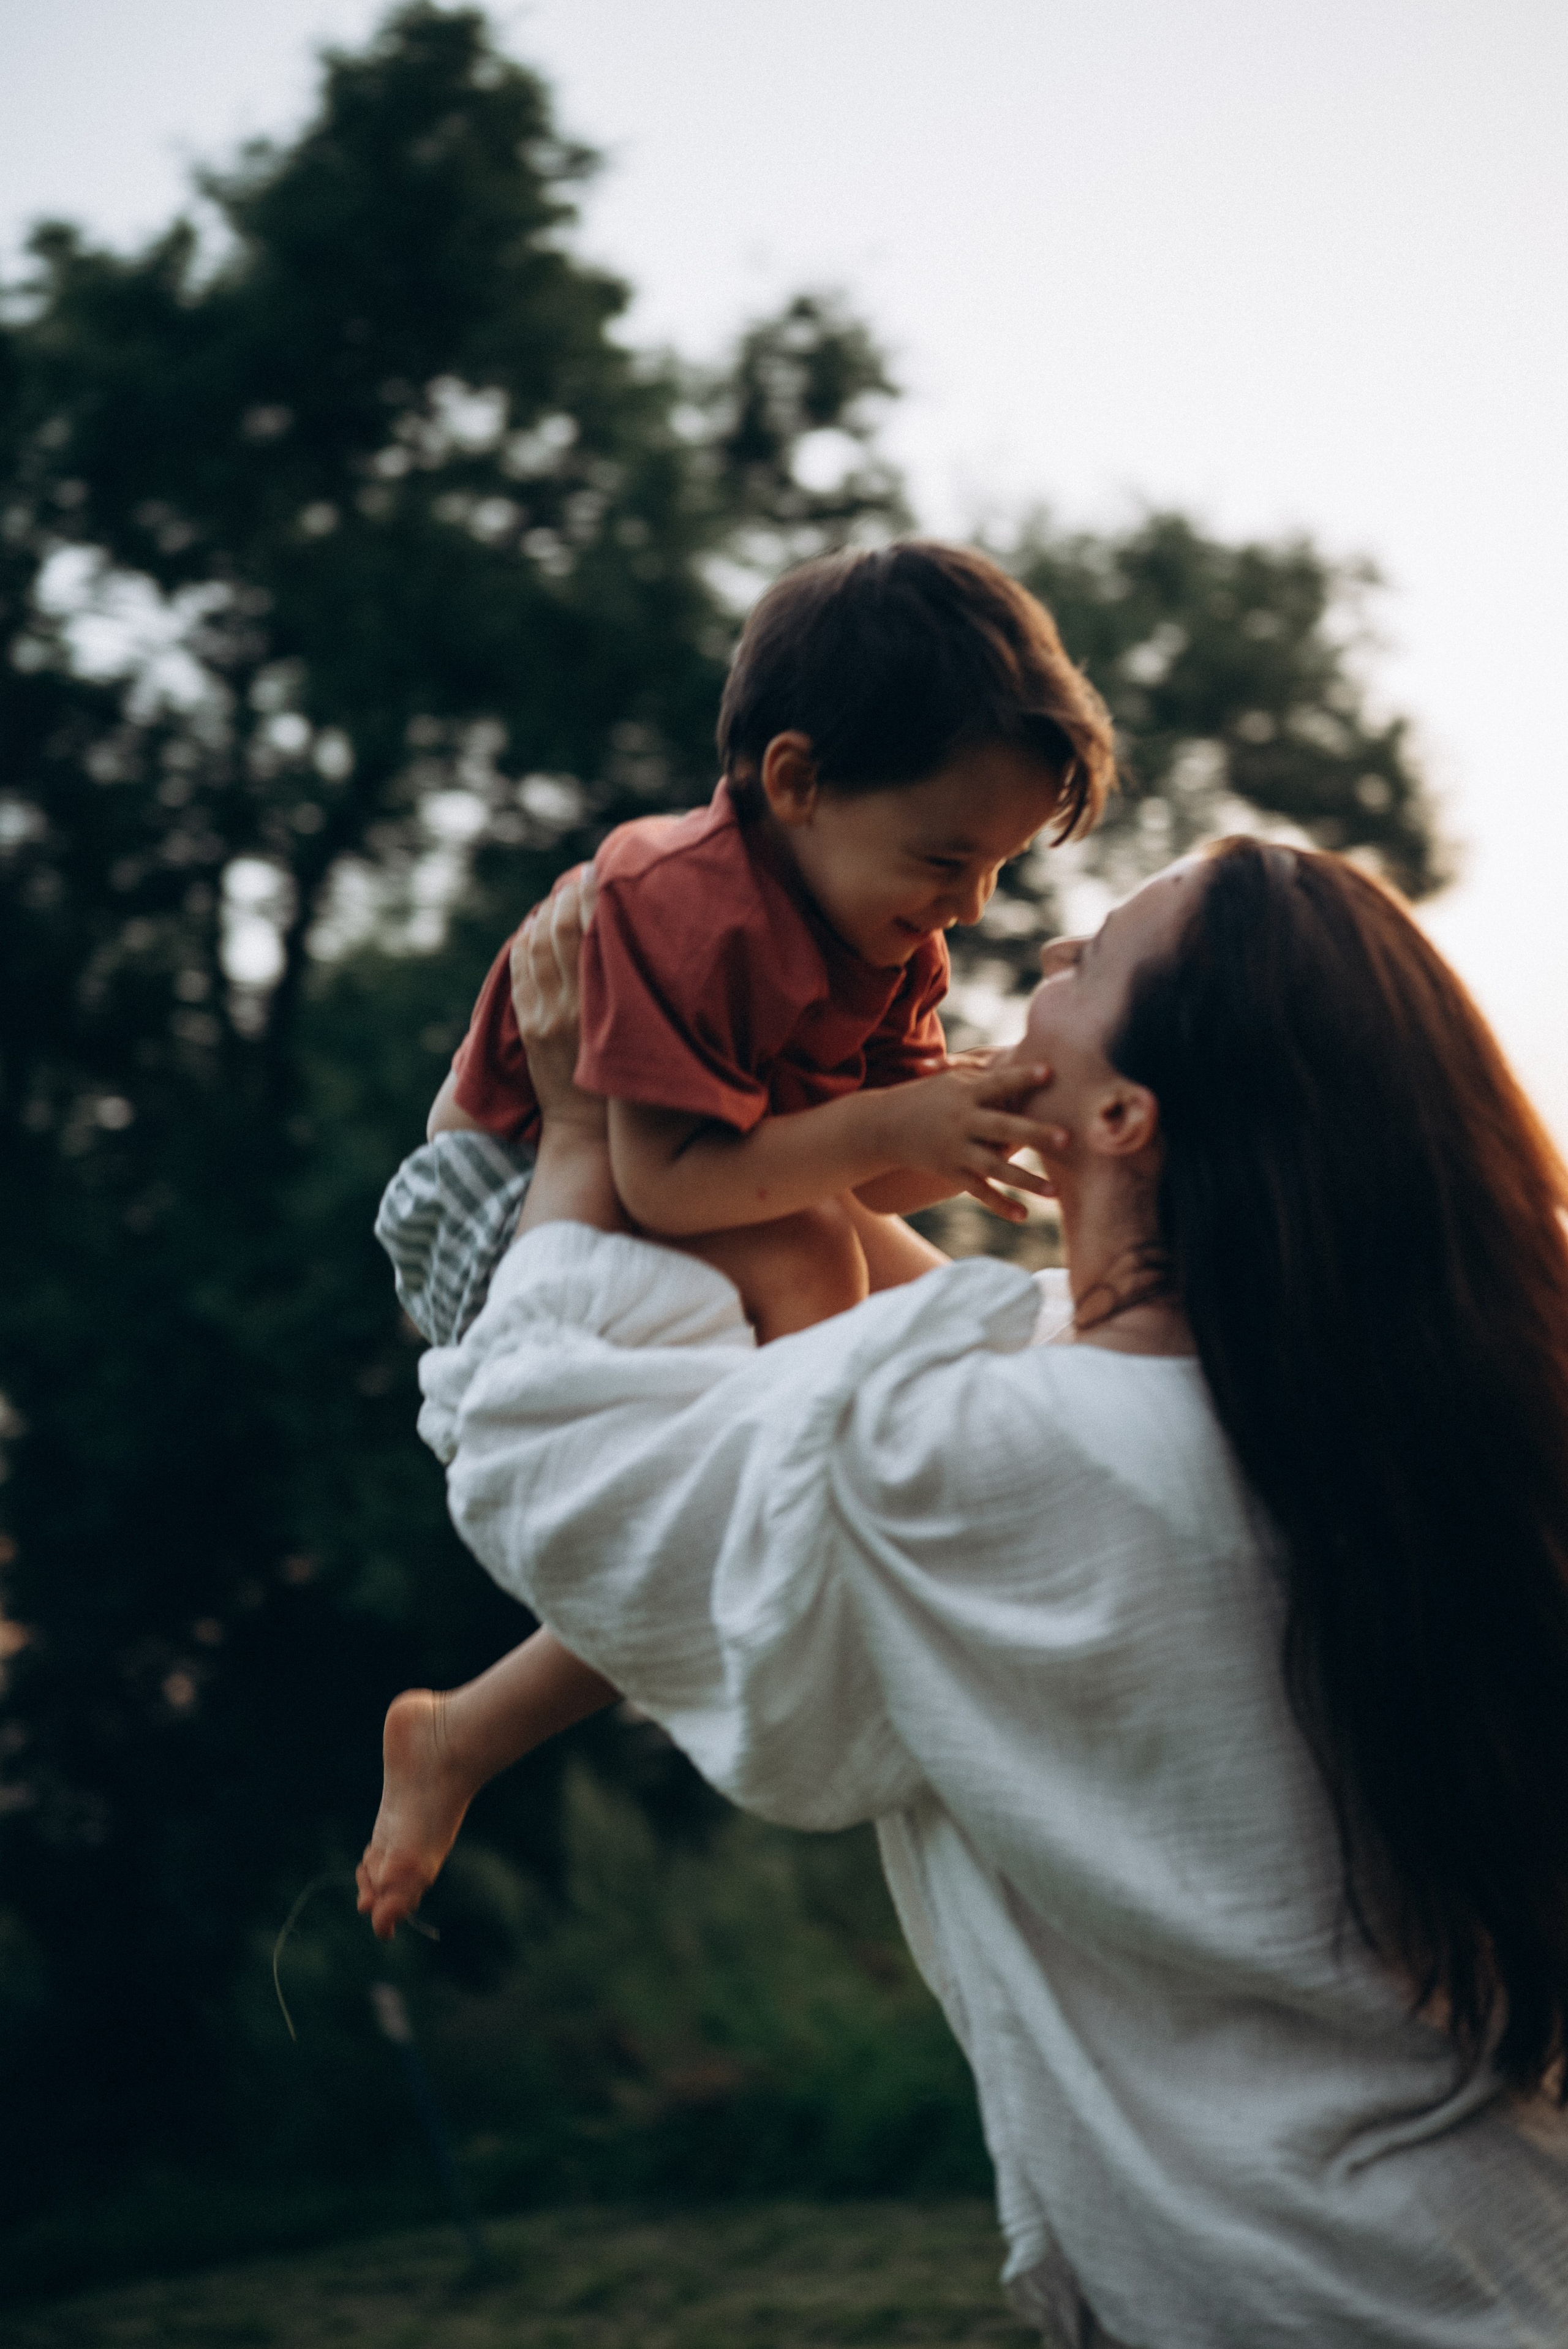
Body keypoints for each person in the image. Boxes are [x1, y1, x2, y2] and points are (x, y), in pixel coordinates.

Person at [367, 841, 1568, 2344]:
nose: (1042, 960)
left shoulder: (997, 1457)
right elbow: (917, 1305)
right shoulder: (1389, 1429)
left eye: (1092, 960)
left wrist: (566, 1134)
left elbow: (554, 1469)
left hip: (1313, 2295)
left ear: (1125, 1113)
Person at [361, 542, 1112, 1929]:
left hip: (720, 1185)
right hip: (513, 1189)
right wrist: (890, 1133)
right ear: (793, 782)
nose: (967, 907)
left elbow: (870, 1177)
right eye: (946, 857)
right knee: (822, 1316)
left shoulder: (889, 928)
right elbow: (665, 1186)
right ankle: (845, 1511)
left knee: (955, 1338)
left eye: (997, 867)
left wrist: (965, 1119)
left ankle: (464, 1731)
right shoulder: (676, 903)